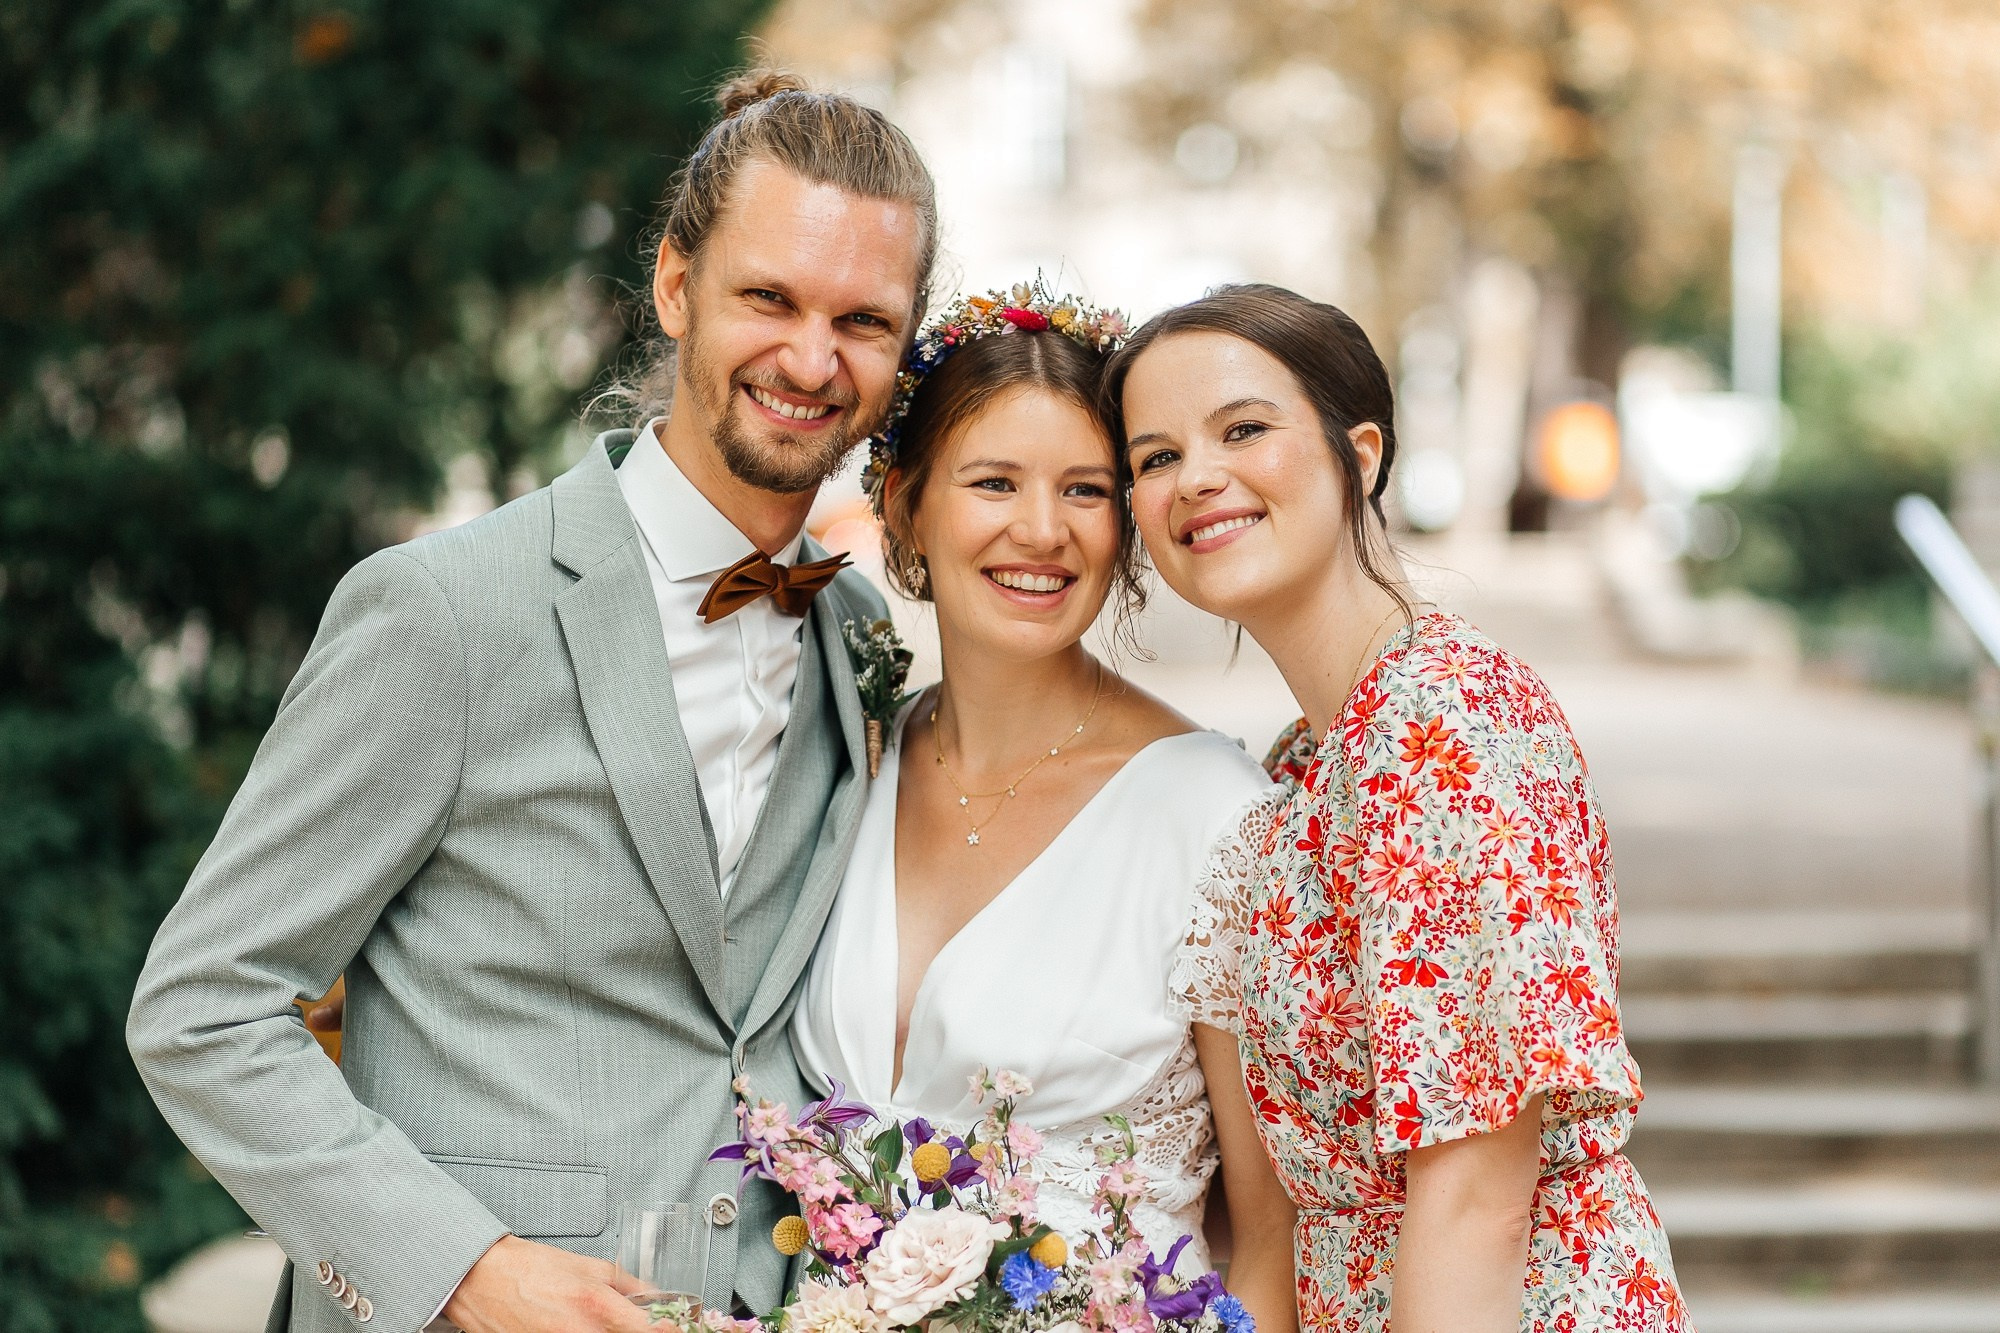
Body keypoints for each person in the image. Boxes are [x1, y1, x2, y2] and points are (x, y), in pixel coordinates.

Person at [126, 71, 932, 1333]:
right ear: (674, 285)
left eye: (863, 321)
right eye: (767, 298)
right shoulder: (443, 612)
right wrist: (457, 1267)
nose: (811, 358)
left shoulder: (858, 632)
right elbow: (200, 1011)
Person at [1102, 285, 1689, 1333]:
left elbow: (1474, 1197)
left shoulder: (1441, 725)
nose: (1195, 476)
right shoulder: (1304, 764)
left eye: (1241, 429)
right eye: (1153, 457)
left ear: (1357, 454)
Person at [790, 282, 1299, 1333]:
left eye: (1084, 489)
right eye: (992, 482)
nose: (1040, 530)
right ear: (902, 505)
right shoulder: (853, 758)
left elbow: (1273, 1234)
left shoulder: (1210, 814)